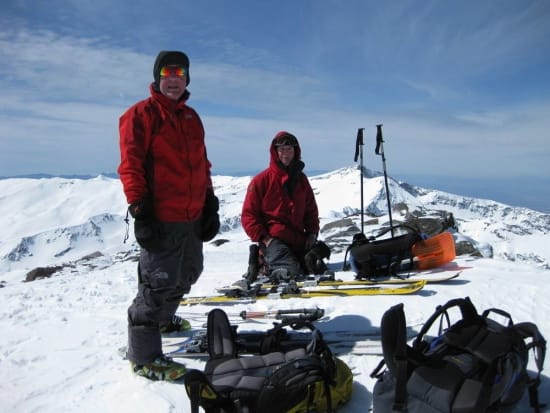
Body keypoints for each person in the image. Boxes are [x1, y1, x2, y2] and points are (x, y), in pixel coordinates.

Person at [118, 50, 219, 381]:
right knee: (157, 284)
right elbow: (131, 165)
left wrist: (210, 202)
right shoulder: (140, 115)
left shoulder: (192, 118)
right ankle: (144, 355)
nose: (173, 79)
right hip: (161, 217)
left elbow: (202, 164)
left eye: (180, 74)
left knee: (188, 273)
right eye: (167, 73)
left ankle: (163, 320)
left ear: (187, 79)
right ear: (157, 77)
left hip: (190, 216)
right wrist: (140, 210)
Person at [240, 131, 330, 284]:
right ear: (275, 152)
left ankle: (270, 261)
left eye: (289, 149)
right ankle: (263, 262)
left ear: (296, 151)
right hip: (273, 240)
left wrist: (312, 234)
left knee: (314, 265)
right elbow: (248, 215)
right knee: (291, 272)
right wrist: (264, 238)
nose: (285, 153)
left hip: (298, 238)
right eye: (281, 149)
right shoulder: (261, 180)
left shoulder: (301, 180)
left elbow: (310, 211)